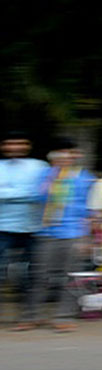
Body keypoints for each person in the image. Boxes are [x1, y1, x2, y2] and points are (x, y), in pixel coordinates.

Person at [30, 140, 95, 331]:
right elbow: (36, 198)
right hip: (46, 231)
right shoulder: (44, 175)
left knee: (70, 278)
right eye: (61, 153)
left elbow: (90, 209)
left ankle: (63, 317)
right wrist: (52, 179)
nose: (65, 157)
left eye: (69, 153)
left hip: (73, 233)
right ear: (53, 156)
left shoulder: (84, 177)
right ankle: (33, 316)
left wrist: (86, 238)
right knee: (39, 277)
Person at [0, 131, 48, 330]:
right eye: (10, 144)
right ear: (4, 146)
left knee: (33, 275)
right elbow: (32, 193)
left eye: (20, 143)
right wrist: (27, 193)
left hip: (34, 228)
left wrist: (8, 193)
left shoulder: (40, 166)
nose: (15, 147)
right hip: (2, 228)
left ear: (27, 145)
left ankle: (28, 317)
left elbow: (42, 194)